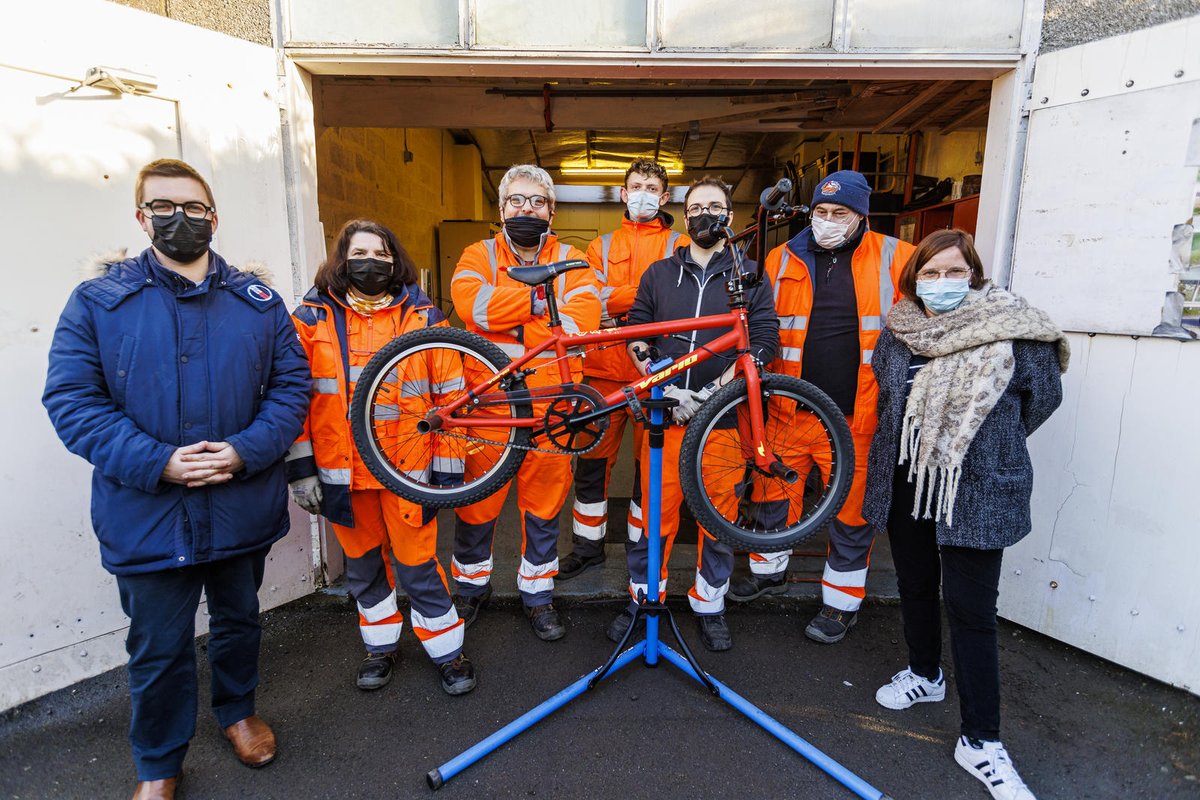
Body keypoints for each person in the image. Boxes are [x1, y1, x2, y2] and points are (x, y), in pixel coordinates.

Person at [42, 159, 311, 800]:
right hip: (147, 512)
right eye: (164, 207)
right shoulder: (99, 302)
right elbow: (72, 401)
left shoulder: (257, 303)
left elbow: (291, 387)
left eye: (193, 208)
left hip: (239, 503)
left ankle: (237, 712)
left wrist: (245, 451)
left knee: (239, 620)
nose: (180, 219)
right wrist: (155, 460)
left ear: (214, 218)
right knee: (157, 647)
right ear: (142, 217)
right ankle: (158, 763)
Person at [863, 229, 1068, 800]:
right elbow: (889, 400)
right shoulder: (900, 332)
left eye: (955, 272)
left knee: (972, 610)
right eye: (930, 273)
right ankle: (925, 675)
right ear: (913, 280)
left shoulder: (1016, 331)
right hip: (909, 485)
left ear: (973, 275)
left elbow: (1041, 400)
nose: (942, 283)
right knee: (916, 585)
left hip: (974, 489)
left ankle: (981, 740)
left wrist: (983, 446)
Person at [287, 219, 476, 696]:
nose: (371, 261)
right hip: (342, 474)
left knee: (418, 566)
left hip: (406, 472)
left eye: (381, 253)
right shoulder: (309, 319)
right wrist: (301, 469)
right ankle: (381, 646)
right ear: (341, 259)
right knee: (365, 567)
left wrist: (448, 474)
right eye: (360, 252)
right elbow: (293, 400)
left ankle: (448, 653)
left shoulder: (425, 318)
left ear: (395, 261)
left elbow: (451, 399)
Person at [728, 169, 916, 646]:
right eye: (820, 212)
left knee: (852, 514)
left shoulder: (898, 257)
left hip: (858, 416)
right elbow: (760, 325)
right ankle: (768, 571)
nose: (827, 221)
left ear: (861, 216)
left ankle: (840, 604)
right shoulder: (780, 256)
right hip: (789, 409)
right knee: (773, 498)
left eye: (840, 214)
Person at [607, 176, 778, 652]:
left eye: (715, 206)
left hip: (720, 421)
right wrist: (656, 380)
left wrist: (717, 393)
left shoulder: (750, 276)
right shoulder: (660, 274)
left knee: (717, 518)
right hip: (663, 420)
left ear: (729, 215)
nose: (706, 213)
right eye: (697, 206)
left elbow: (765, 340)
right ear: (684, 217)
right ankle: (643, 600)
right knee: (650, 519)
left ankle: (710, 604)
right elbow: (636, 330)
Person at [449, 164, 601, 641]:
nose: (526, 209)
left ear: (551, 211)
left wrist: (506, 310)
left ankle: (537, 594)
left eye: (536, 202)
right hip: (490, 405)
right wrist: (539, 304)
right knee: (477, 504)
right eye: (517, 201)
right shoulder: (478, 253)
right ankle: (471, 590)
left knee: (544, 504)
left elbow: (579, 323)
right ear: (501, 209)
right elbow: (469, 303)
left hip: (553, 404)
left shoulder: (574, 259)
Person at [560, 159, 689, 580]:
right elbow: (593, 299)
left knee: (648, 470)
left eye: (652, 187)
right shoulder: (601, 245)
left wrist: (624, 303)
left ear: (665, 197)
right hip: (602, 372)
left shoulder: (680, 244)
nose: (642, 194)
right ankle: (587, 545)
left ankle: (640, 545)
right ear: (622, 193)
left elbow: (681, 301)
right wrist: (651, 296)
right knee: (592, 464)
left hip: (656, 374)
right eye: (636, 186)